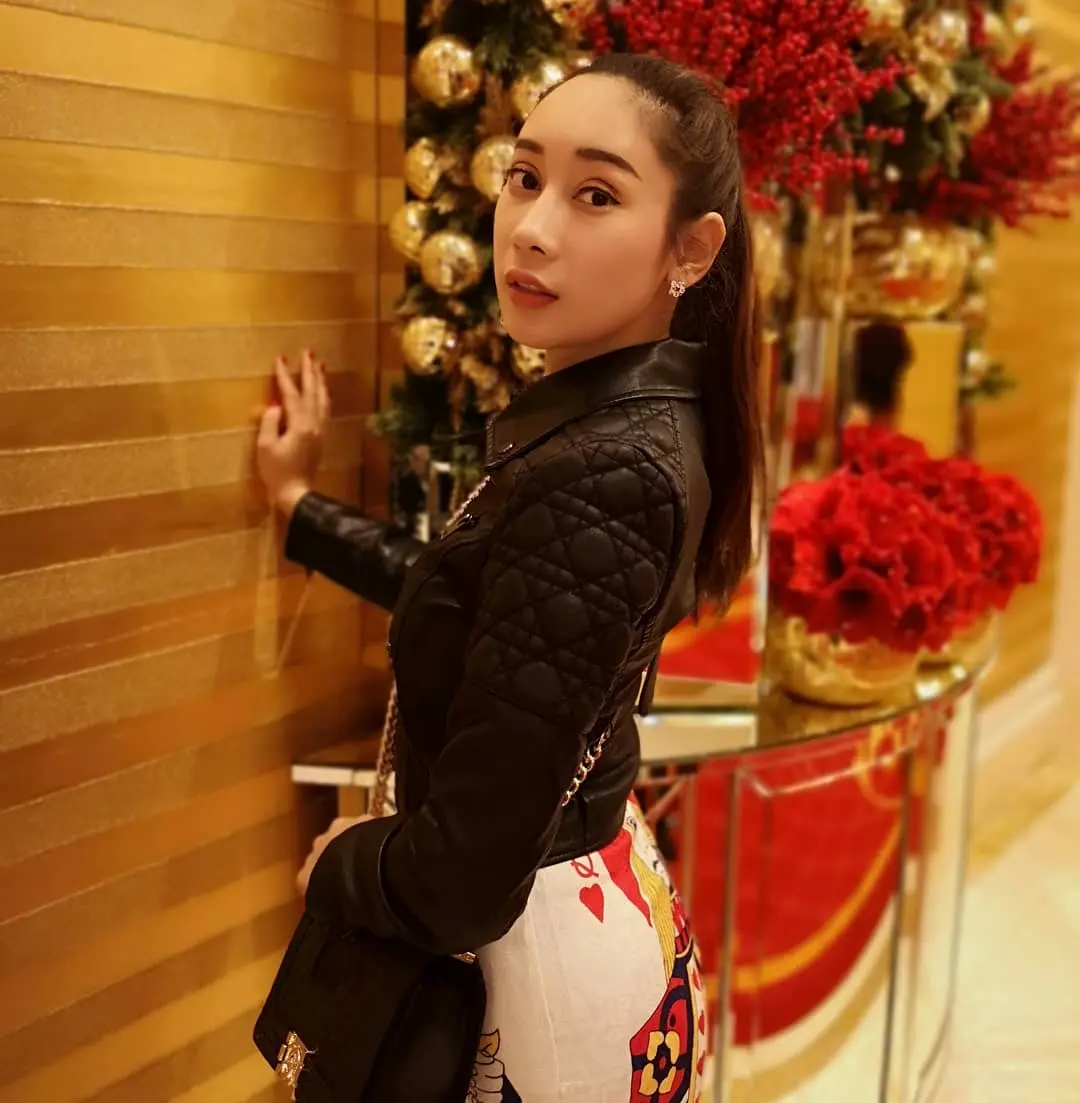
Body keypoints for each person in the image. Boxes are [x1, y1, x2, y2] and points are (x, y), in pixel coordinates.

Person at [256, 53, 763, 1103]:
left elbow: (462, 878)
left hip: (533, 980)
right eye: (524, 177)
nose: (531, 227)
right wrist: (302, 508)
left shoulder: (609, 466)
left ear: (692, 248)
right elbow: (494, 606)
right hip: (583, 899)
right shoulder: (619, 422)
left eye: (596, 195)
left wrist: (345, 859)